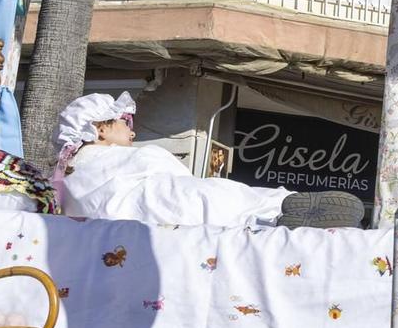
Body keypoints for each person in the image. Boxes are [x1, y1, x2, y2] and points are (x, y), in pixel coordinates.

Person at [55, 92, 367, 229]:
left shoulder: (73, 174)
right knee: (213, 197)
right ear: (98, 128)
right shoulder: (103, 162)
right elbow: (169, 174)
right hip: (155, 200)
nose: (132, 132)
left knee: (212, 198)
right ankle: (275, 210)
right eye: (124, 123)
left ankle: (275, 212)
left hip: (142, 207)